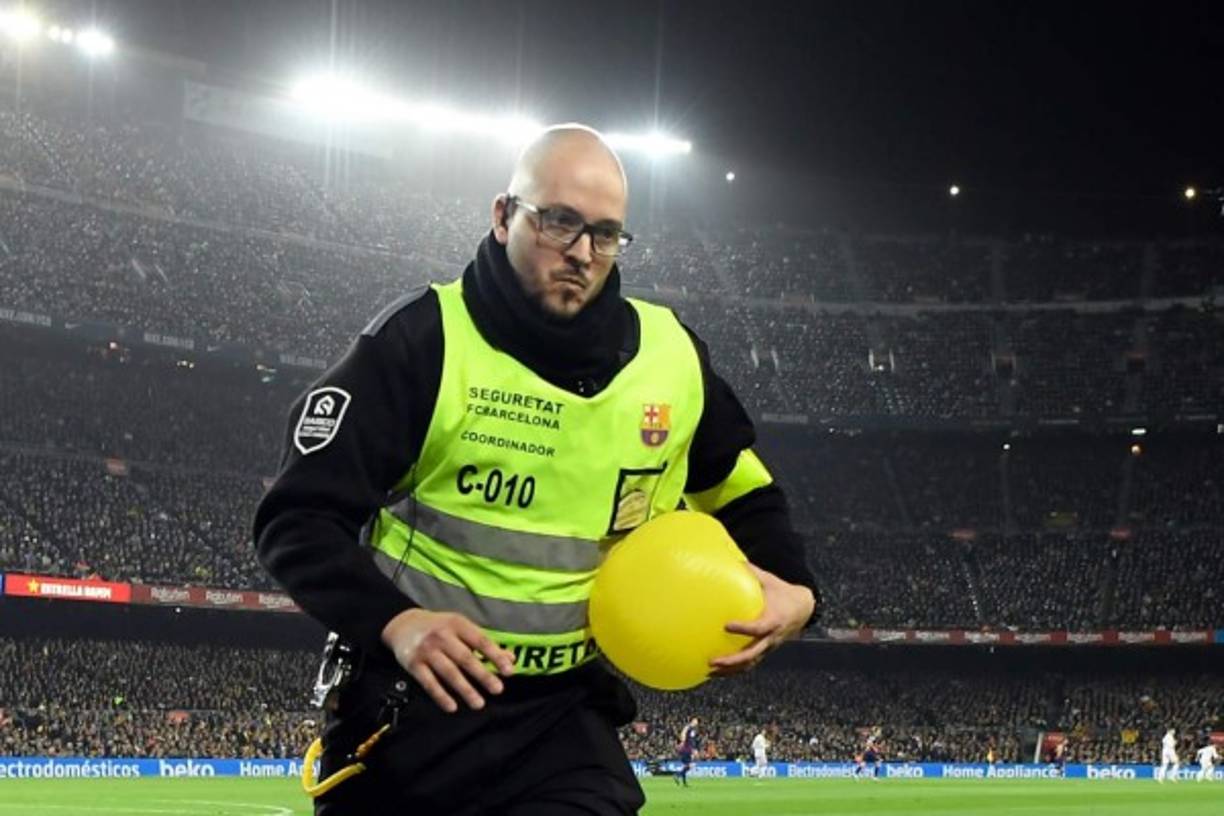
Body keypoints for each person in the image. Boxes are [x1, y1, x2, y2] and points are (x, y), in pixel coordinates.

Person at [253, 124, 819, 816]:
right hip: (407, 711)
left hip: (561, 721)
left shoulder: (670, 358)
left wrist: (796, 590)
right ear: (502, 216)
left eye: (606, 234)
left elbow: (741, 488)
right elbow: (297, 518)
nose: (583, 253)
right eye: (560, 223)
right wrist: (398, 623)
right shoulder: (423, 342)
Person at [676, 717, 700, 787]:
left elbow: (692, 740)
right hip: (686, 749)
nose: (696, 722)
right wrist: (682, 741)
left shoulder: (693, 729)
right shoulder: (688, 727)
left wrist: (694, 748)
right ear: (692, 721)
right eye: (695, 720)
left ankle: (684, 783)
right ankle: (677, 775)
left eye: (697, 721)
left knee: (687, 766)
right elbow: (683, 733)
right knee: (689, 765)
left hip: (688, 749)